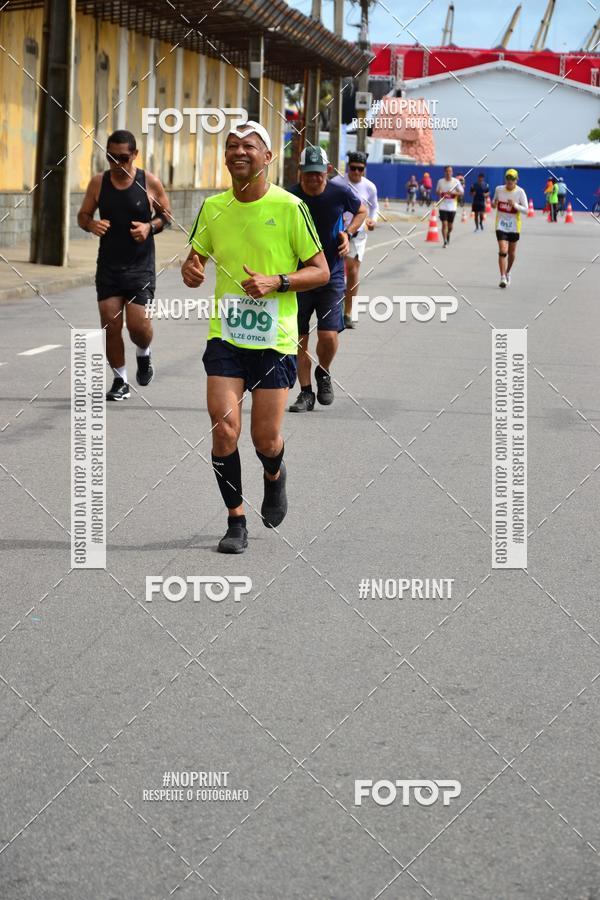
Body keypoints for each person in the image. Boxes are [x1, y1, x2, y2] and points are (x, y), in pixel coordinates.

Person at [182, 122, 329, 554]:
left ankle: (274, 475)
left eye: (249, 146)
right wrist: (191, 271)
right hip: (225, 336)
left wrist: (278, 282)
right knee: (225, 431)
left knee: (265, 439)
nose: (238, 152)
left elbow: (319, 270)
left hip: (274, 341)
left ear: (268, 158)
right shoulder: (212, 207)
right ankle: (235, 521)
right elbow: (195, 262)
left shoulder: (289, 207)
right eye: (231, 146)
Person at [77, 129, 171, 400]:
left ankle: (144, 353)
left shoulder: (148, 182)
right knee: (110, 323)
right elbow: (83, 215)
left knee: (138, 327)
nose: (117, 164)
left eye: (123, 158)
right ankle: (120, 380)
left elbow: (166, 216)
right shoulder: (99, 183)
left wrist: (149, 227)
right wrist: (91, 224)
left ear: (135, 155)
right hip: (108, 266)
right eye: (111, 157)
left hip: (140, 267)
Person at [287, 146, 366, 413]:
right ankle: (306, 392)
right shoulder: (290, 196)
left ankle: (324, 371)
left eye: (318, 174)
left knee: (328, 335)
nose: (313, 179)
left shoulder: (339, 192)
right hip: (298, 277)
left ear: (328, 172)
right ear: (300, 173)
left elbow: (362, 211)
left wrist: (348, 233)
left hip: (331, 275)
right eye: (308, 174)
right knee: (299, 338)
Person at [330, 151, 379, 329]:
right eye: (353, 168)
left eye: (360, 169)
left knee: (352, 271)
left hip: (357, 235)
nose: (356, 173)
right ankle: (332, 308)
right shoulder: (336, 183)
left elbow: (374, 206)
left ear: (364, 169)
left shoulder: (370, 187)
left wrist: (373, 220)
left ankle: (348, 312)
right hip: (336, 234)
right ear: (347, 166)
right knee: (333, 273)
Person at [491, 168, 528, 288]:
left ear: (517, 180)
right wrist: (493, 204)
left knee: (511, 253)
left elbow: (526, 210)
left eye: (512, 178)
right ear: (505, 179)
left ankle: (508, 272)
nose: (510, 180)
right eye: (508, 178)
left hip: (514, 226)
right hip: (501, 224)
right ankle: (502, 277)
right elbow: (493, 203)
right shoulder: (499, 189)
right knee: (503, 251)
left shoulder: (520, 192)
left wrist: (515, 205)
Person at [436, 165, 463, 247]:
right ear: (444, 172)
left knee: (450, 227)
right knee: (444, 224)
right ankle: (444, 241)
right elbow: (437, 191)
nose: (448, 173)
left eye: (450, 171)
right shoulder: (440, 181)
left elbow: (461, 192)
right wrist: (440, 192)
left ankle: (448, 235)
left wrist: (453, 193)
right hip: (443, 206)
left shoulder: (456, 182)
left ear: (452, 172)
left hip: (452, 207)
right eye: (447, 171)